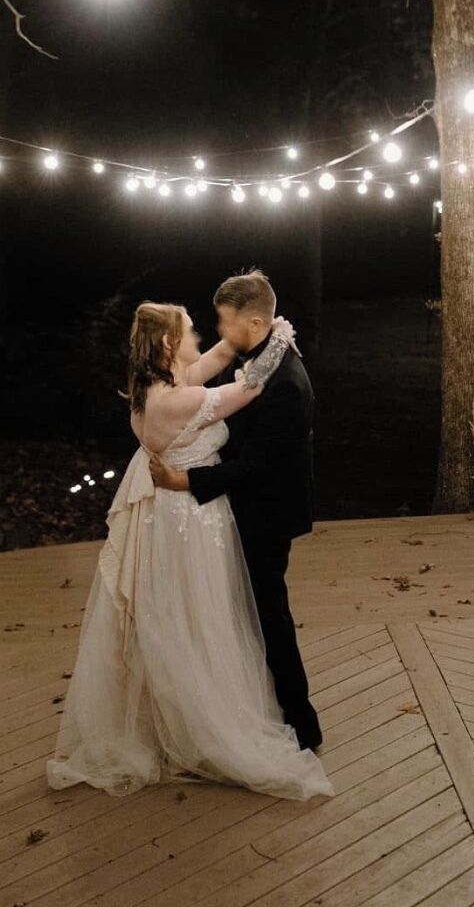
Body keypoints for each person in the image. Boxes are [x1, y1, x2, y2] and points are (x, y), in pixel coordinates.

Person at [48, 299, 331, 800]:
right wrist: (280, 339)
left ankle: (180, 714)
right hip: (188, 519)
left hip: (178, 513)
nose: (200, 336)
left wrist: (262, 328)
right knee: (196, 615)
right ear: (168, 344)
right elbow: (248, 388)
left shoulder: (159, 385)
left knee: (185, 613)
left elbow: (221, 355)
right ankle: (201, 722)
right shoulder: (173, 401)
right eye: (190, 330)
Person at [150, 270, 325, 755]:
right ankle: (254, 704)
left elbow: (252, 466)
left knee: (269, 615)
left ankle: (302, 722)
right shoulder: (264, 355)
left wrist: (184, 481)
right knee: (247, 611)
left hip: (266, 514)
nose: (220, 331)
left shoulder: (284, 383)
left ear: (255, 322)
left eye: (226, 322)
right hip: (248, 505)